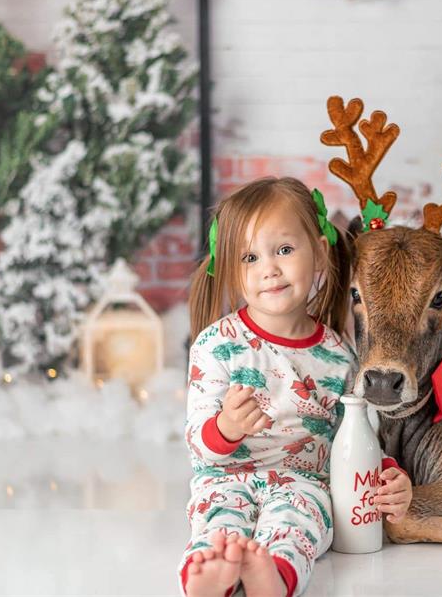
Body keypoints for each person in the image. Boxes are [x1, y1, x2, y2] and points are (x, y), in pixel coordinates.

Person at [181, 177, 412, 597]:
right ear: (232, 269)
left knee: (298, 522)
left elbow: (357, 438)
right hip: (226, 477)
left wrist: (386, 475)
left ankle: (274, 574)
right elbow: (199, 444)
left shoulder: (341, 357)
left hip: (304, 481)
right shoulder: (216, 345)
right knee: (219, 522)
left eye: (284, 250)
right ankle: (210, 575)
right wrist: (227, 427)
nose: (269, 268)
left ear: (320, 252)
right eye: (250, 257)